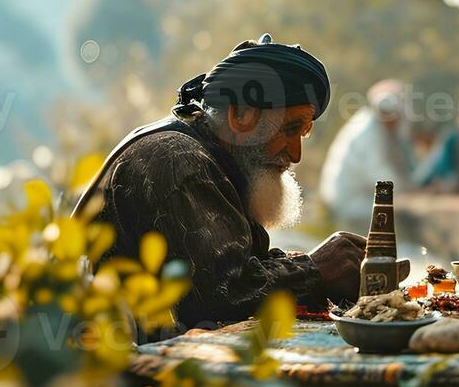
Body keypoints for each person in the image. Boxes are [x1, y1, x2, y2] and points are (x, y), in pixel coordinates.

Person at [74, 35, 367, 333]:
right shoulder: (176, 158)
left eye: (302, 133)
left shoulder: (215, 160)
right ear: (240, 117)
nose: (296, 153)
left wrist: (331, 266)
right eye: (290, 129)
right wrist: (315, 270)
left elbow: (236, 267)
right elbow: (217, 296)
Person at [318, 80, 416, 229]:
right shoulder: (368, 133)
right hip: (353, 204)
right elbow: (380, 177)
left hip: (357, 200)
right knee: (406, 222)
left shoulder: (370, 125)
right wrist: (412, 189)